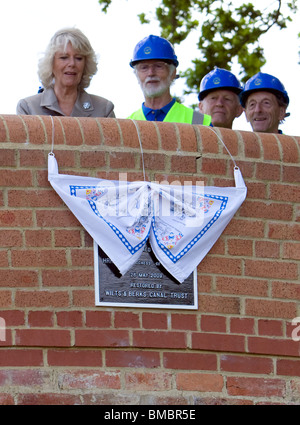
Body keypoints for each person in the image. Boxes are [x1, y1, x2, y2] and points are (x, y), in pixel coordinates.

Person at [17, 28, 115, 118]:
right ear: (51, 63)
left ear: (86, 64)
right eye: (64, 57)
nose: (72, 64)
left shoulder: (104, 110)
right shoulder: (28, 108)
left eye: (78, 58)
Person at [128, 35, 211, 125]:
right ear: (136, 75)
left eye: (158, 66)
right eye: (144, 67)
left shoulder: (198, 121)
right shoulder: (127, 125)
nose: (151, 73)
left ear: (173, 73)